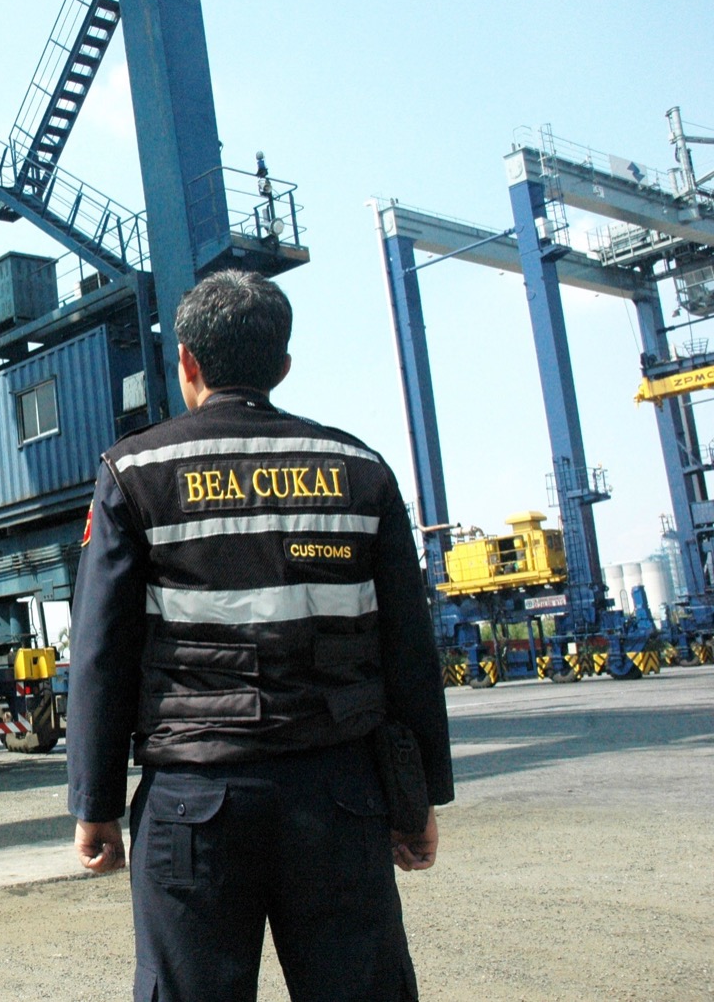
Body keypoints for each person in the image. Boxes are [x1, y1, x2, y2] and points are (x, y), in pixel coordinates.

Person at [66, 269, 453, 1001]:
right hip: (340, 797)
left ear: (186, 361)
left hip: (194, 804)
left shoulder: (136, 473)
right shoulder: (361, 471)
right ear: (282, 365)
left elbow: (100, 653)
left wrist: (95, 802)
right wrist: (419, 796)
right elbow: (408, 647)